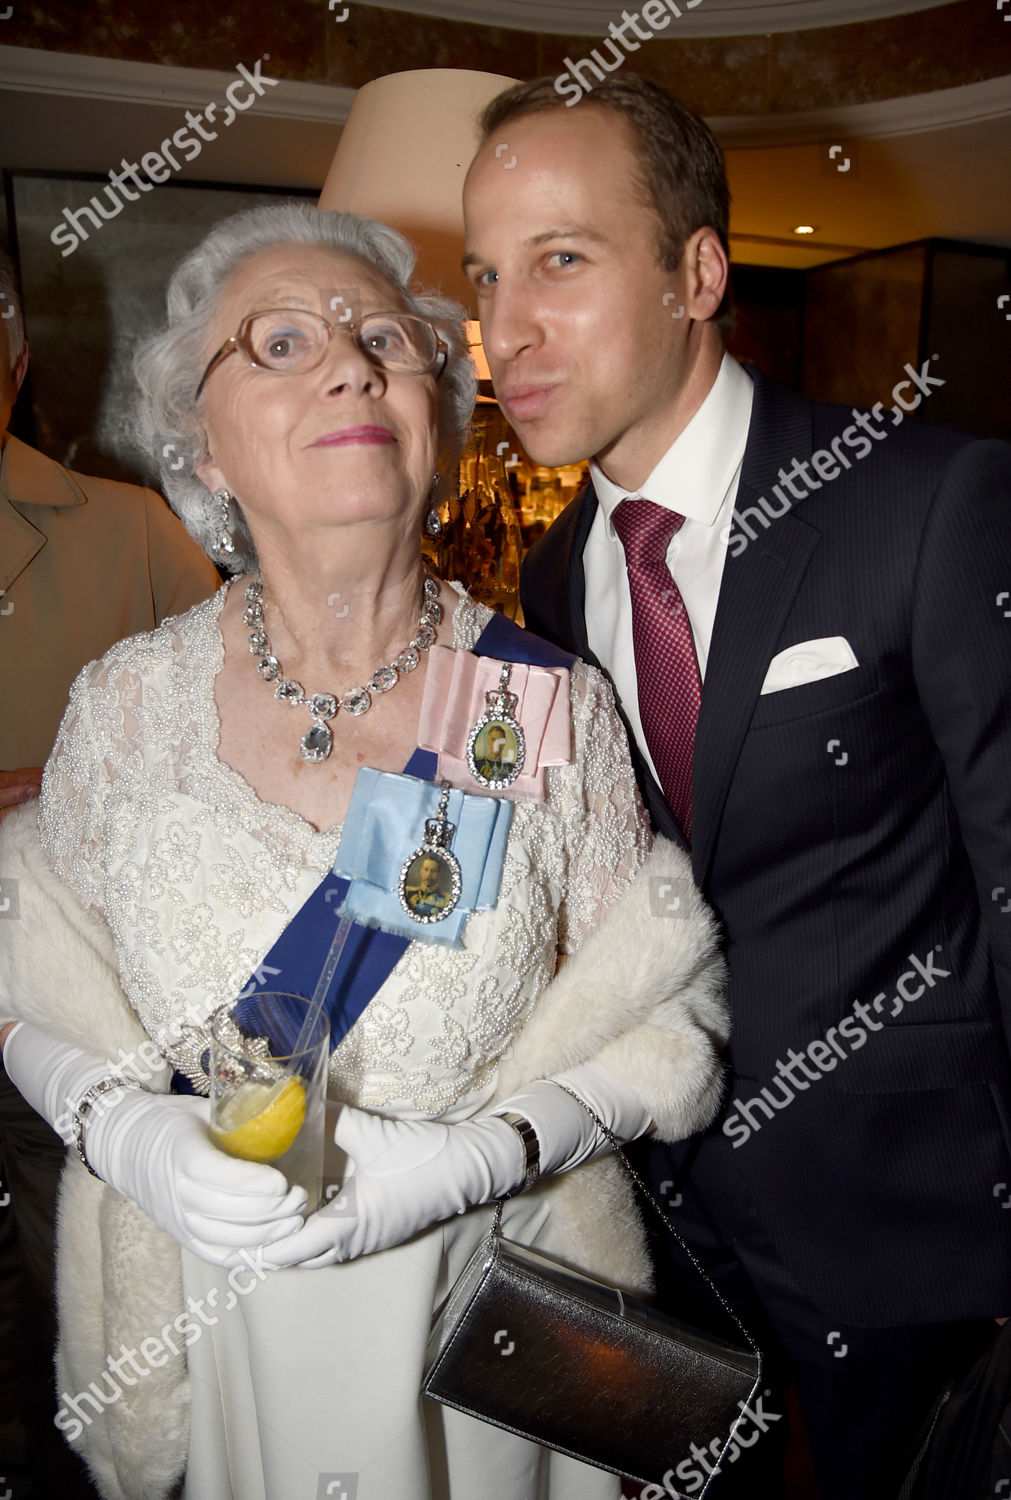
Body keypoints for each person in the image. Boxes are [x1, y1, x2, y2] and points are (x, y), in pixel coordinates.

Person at [0, 203, 728, 1500]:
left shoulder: (527, 702)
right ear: (200, 447)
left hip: (486, 1331)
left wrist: (486, 1152)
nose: (347, 364)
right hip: (220, 1329)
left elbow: (664, 1015)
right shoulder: (123, 708)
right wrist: (125, 1134)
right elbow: (27, 969)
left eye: (380, 338)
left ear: (435, 421)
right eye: (278, 342)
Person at [462, 74, 1011, 1500]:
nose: (502, 329)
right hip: (666, 1225)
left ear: (696, 271)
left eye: (559, 262)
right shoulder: (539, 580)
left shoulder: (924, 502)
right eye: (482, 276)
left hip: (916, 1225)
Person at [0, 249, 219, 1496]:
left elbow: (240, 704)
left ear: (18, 362)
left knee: (74, 1296)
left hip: (76, 1011)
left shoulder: (130, 527)